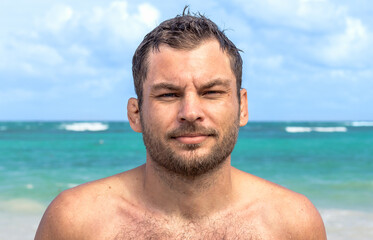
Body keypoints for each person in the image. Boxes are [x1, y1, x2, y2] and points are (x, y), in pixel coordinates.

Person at [35, 9, 327, 240]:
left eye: (211, 92)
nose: (190, 112)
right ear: (135, 113)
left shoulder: (292, 224)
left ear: (242, 107)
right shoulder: (75, 222)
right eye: (168, 94)